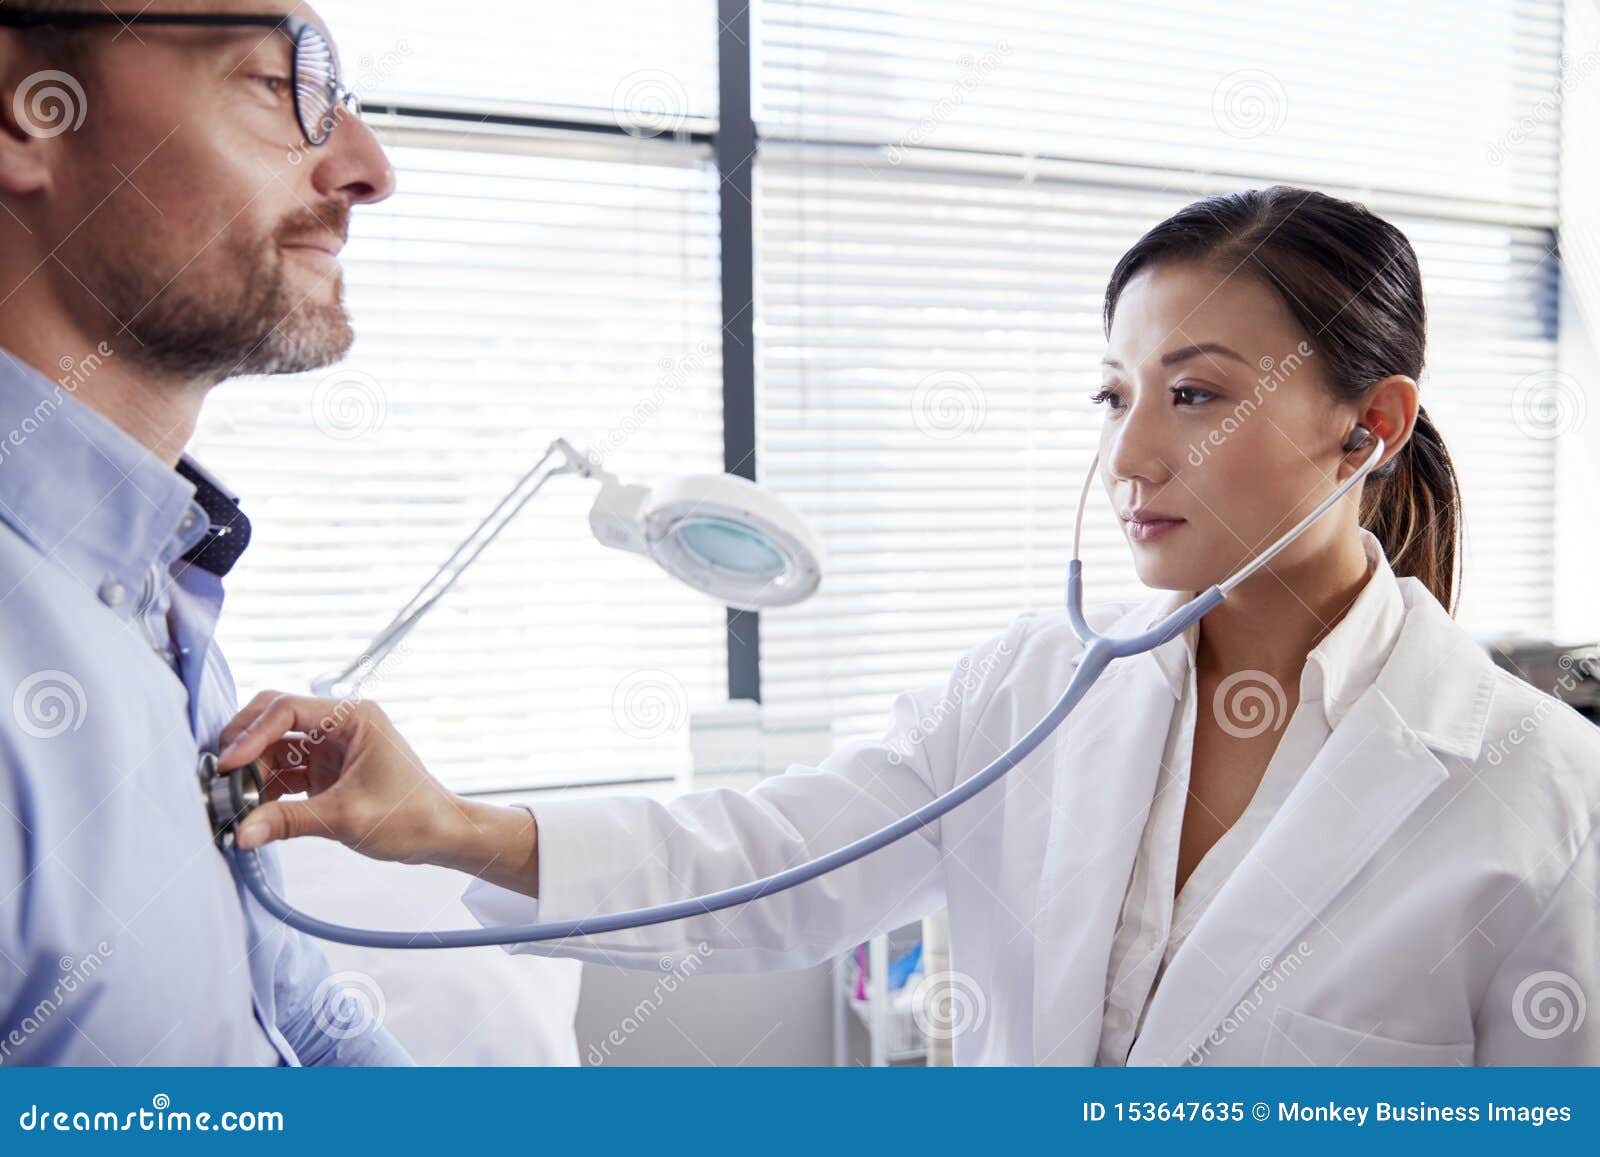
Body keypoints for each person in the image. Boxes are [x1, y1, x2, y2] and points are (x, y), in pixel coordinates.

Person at [219, 188, 1600, 1066]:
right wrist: (448, 824)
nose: (1128, 461)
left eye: (1197, 395)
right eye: (1112, 397)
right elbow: (770, 859)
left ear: (1372, 426)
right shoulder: (1035, 689)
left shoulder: (1543, 793)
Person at [0, 0, 408, 1064]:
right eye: (285, 87)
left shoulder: (151, 593)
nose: (365, 167)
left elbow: (302, 1022)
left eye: (346, 102)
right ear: (24, 115)